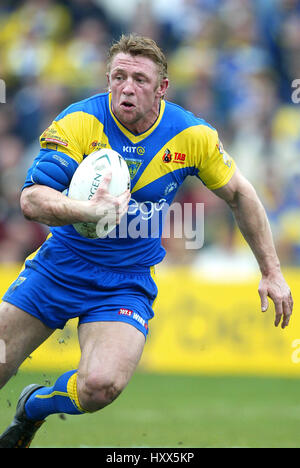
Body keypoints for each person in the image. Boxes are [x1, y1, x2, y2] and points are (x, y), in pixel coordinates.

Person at [0, 34, 293, 448]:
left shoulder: (191, 135)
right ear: (107, 81)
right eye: (118, 77)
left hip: (125, 281)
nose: (127, 87)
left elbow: (241, 194)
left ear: (162, 88)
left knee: (99, 387)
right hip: (58, 267)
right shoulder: (80, 122)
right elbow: (32, 198)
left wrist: (272, 271)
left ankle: (34, 407)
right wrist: (87, 212)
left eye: (139, 78)